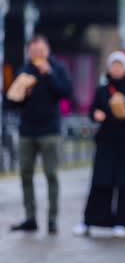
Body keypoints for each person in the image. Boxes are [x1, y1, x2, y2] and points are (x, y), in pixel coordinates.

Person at [73, 51, 125, 238]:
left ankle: (123, 222)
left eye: (119, 65)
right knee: (100, 182)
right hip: (106, 142)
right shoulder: (102, 90)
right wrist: (96, 115)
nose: (116, 69)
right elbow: (92, 111)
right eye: (113, 66)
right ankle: (91, 220)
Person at [8, 35, 72, 234]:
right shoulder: (24, 70)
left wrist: (49, 74)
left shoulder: (57, 68)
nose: (37, 54)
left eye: (40, 50)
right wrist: (19, 94)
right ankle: (30, 217)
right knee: (25, 174)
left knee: (51, 175)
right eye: (33, 51)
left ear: (48, 50)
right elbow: (11, 103)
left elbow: (66, 92)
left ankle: (52, 219)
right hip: (27, 131)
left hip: (49, 131)